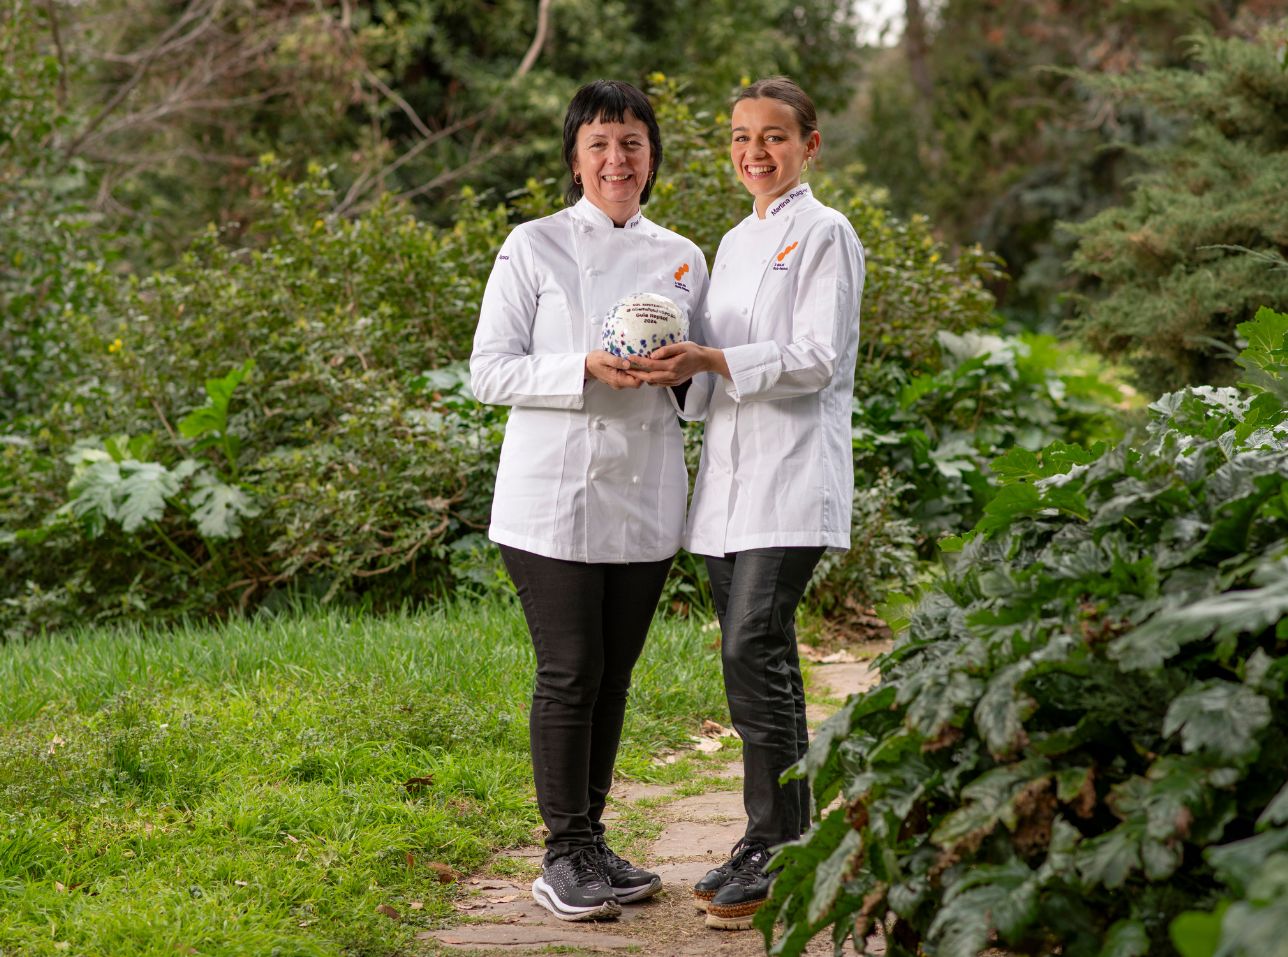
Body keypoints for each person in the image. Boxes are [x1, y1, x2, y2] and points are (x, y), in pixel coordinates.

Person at [470, 79, 710, 923]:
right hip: (552, 497)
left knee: (614, 678)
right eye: (601, 142)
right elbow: (488, 369)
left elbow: (702, 392)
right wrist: (581, 366)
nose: (618, 158)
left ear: (653, 158)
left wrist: (683, 373)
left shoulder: (684, 254)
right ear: (575, 157)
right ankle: (562, 852)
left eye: (633, 143)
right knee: (571, 672)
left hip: (645, 497)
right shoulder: (532, 245)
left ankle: (593, 838)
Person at [631, 75, 864, 930]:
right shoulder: (730, 243)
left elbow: (816, 357)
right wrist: (671, 367)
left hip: (791, 477)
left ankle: (778, 839)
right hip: (726, 489)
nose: (753, 152)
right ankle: (779, 834)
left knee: (751, 647)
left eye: (772, 136)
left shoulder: (824, 233)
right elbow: (710, 367)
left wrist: (713, 361)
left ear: (809, 145)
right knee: (755, 663)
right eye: (739, 137)